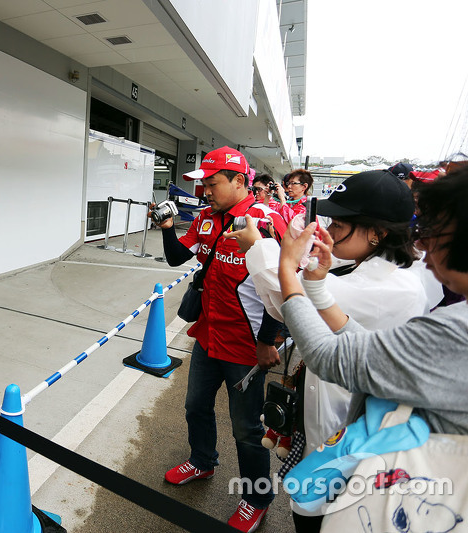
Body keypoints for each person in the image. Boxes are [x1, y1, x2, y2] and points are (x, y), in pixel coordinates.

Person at [224, 170, 431, 532]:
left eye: (339, 223)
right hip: (329, 416)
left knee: (325, 516)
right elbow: (300, 288)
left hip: (347, 427)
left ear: (378, 233)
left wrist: (261, 248)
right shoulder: (363, 263)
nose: (330, 231)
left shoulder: (395, 288)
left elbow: (294, 301)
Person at [277, 167, 468, 531]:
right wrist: (314, 283)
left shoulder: (454, 330)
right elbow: (367, 345)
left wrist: (288, 269)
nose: (422, 243)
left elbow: (329, 356)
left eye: (434, 231)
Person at [151, 146, 288, 532]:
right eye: (204, 184)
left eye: (213, 183)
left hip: (246, 347)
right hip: (208, 336)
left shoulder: (265, 220)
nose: (205, 191)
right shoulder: (208, 218)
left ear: (240, 181)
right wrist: (166, 229)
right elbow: (179, 258)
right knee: (195, 405)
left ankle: (257, 498)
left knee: (247, 429)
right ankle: (202, 460)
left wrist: (267, 341)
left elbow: (279, 289)